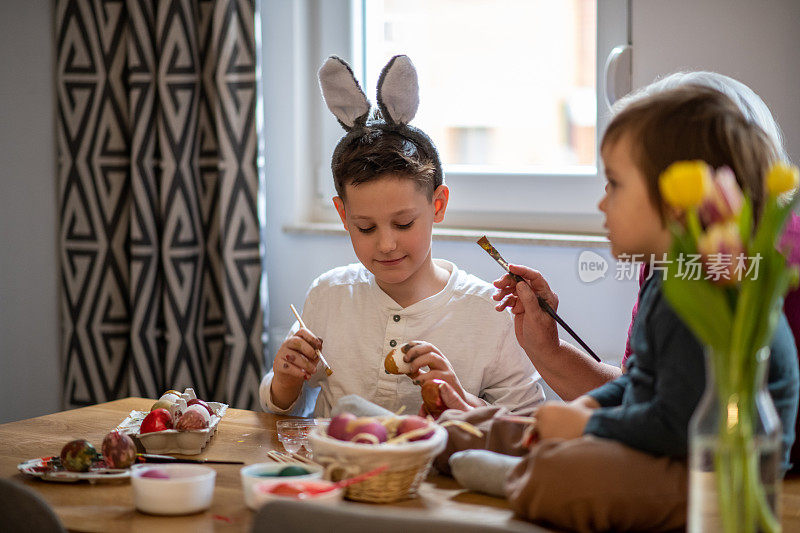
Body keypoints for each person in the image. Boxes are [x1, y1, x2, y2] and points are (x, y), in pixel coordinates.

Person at [438, 86, 799, 532]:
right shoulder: (668, 276)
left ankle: (514, 474)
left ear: (673, 201)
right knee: (529, 423)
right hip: (665, 446)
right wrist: (588, 405)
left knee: (565, 468)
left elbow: (675, 423)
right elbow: (638, 384)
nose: (602, 203)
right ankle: (434, 439)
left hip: (714, 477)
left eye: (615, 185)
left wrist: (589, 427)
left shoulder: (708, 290)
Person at [259, 55, 544, 417]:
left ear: (438, 205)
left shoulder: (489, 312)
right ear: (343, 215)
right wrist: (285, 383)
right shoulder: (328, 296)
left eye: (404, 223)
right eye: (365, 227)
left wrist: (460, 400)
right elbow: (283, 410)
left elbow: (528, 424)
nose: (386, 244)